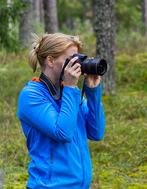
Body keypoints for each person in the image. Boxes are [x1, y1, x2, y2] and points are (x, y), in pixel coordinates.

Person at [17, 33, 106, 188]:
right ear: (50, 60)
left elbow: (96, 132)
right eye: (70, 59)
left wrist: (92, 92)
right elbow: (62, 133)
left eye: (78, 59)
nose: (76, 65)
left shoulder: (70, 93)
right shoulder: (31, 95)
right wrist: (71, 88)